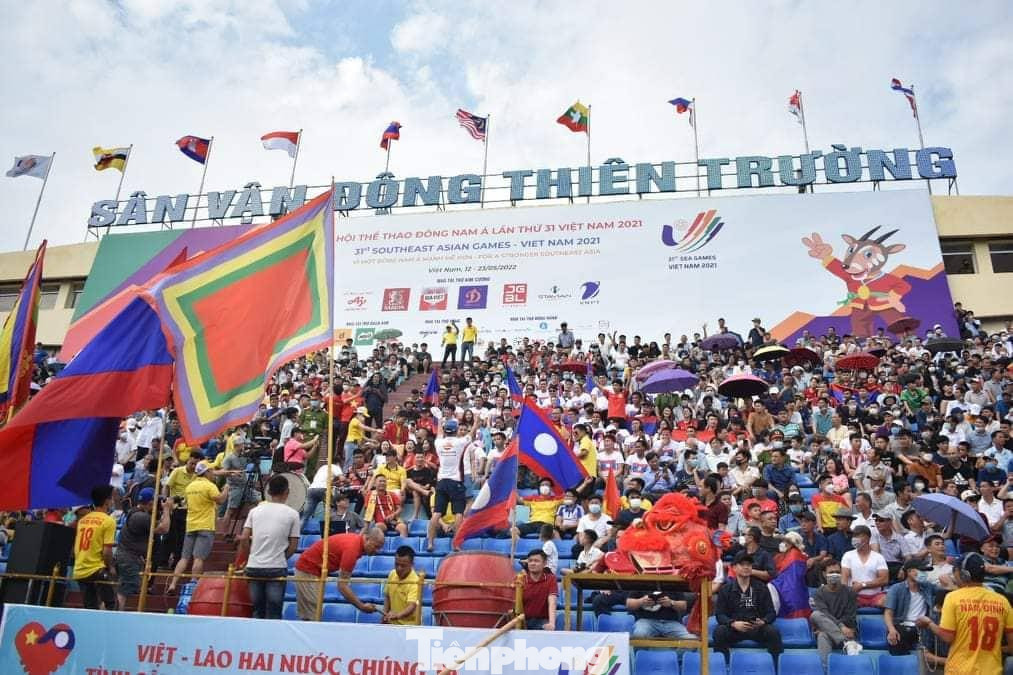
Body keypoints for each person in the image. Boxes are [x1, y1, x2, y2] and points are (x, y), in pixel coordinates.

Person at [921, 552, 1013, 675]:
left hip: (959, 670)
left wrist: (929, 623)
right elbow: (1011, 646)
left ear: (963, 574)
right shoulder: (1002, 601)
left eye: (955, 571)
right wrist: (990, 649)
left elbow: (947, 637)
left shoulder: (953, 598)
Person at [237, 474, 301, 620]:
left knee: (256, 610)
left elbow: (244, 538)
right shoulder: (293, 514)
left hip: (254, 566)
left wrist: (251, 555)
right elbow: (293, 545)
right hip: (276, 567)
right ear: (287, 492)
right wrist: (282, 557)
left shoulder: (254, 511)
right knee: (274, 612)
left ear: (269, 491)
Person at [293, 526, 386, 620]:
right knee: (312, 615)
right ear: (367, 539)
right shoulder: (352, 549)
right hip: (308, 570)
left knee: (311, 613)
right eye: (376, 546)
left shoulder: (355, 543)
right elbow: (342, 586)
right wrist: (361, 606)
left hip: (312, 570)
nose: (377, 551)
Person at [167, 461, 230, 595]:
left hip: (191, 525)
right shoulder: (209, 486)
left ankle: (172, 584)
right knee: (198, 558)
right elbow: (220, 500)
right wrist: (226, 489)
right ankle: (193, 583)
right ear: (206, 472)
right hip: (205, 526)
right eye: (211, 471)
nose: (213, 473)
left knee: (184, 558)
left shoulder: (190, 486)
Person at [713, 552, 783, 661]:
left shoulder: (762, 588)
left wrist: (763, 621)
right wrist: (733, 623)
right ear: (734, 568)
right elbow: (720, 614)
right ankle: (723, 664)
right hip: (735, 628)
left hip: (756, 628)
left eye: (749, 564)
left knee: (773, 632)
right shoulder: (725, 589)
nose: (746, 567)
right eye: (742, 564)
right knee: (719, 632)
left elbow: (771, 613)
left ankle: (776, 665)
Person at [114, 487, 171, 610]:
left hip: (128, 556)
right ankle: (113, 613)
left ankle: (114, 611)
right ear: (150, 503)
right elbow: (164, 529)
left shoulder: (136, 513)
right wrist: (167, 509)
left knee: (126, 587)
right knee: (126, 588)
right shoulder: (141, 517)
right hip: (128, 558)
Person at [427, 418, 472, 551]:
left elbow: (439, 433)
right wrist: (476, 422)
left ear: (445, 430)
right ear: (456, 430)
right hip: (455, 481)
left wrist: (440, 421)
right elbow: (471, 433)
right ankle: (456, 544)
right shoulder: (459, 442)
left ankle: (430, 543)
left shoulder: (438, 442)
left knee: (436, 513)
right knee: (458, 513)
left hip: (441, 481)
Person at [73, 485, 119, 610]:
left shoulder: (82, 520)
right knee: (112, 605)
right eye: (111, 498)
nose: (113, 501)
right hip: (97, 569)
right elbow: (107, 552)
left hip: (80, 569)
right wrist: (111, 567)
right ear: (106, 501)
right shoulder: (108, 521)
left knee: (90, 608)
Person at [809, 560, 861, 669]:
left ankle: (826, 670)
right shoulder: (819, 593)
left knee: (822, 632)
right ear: (824, 574)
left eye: (837, 572)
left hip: (848, 630)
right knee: (816, 615)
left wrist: (838, 627)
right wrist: (840, 626)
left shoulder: (850, 592)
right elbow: (824, 613)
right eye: (831, 572)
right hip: (842, 632)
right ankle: (846, 643)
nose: (835, 575)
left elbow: (850, 616)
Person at [884, 557, 936, 656]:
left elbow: (945, 593)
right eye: (921, 571)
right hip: (902, 626)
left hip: (922, 628)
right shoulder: (896, 589)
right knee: (897, 637)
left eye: (924, 571)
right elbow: (888, 613)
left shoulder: (928, 587)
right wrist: (891, 629)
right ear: (909, 572)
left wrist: (949, 584)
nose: (924, 574)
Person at [841, 525, 889, 607]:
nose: (854, 539)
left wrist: (862, 585)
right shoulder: (848, 555)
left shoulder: (878, 557)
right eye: (854, 536)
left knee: (888, 602)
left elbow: (884, 579)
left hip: (876, 595)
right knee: (845, 603)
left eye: (858, 536)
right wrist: (847, 593)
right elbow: (844, 578)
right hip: (855, 596)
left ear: (867, 538)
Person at [626, 588, 697, 640]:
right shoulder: (642, 580)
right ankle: (642, 655)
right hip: (645, 621)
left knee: (692, 639)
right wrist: (641, 601)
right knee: (639, 634)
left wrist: (671, 603)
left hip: (672, 622)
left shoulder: (672, 581)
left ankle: (676, 656)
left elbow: (683, 606)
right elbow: (629, 604)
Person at [518, 549, 556, 630]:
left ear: (544, 563)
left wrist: (551, 623)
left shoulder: (551, 579)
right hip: (522, 620)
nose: (532, 563)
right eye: (530, 561)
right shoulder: (520, 579)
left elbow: (552, 601)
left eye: (536, 561)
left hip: (542, 621)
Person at [383, 545, 421, 625]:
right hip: (392, 624)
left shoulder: (415, 581)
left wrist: (397, 616)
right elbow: (387, 597)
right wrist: (384, 615)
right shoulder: (392, 574)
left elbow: (412, 606)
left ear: (411, 564)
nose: (399, 568)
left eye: (403, 566)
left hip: (409, 626)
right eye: (396, 564)